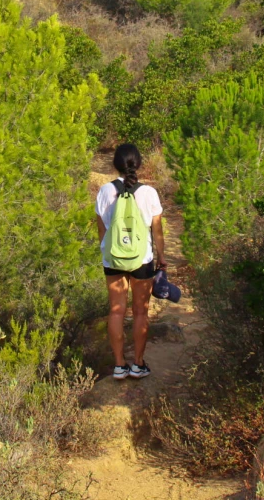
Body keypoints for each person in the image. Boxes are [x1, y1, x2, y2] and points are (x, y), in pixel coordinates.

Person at [95, 143, 166, 379]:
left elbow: (102, 231)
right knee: (140, 313)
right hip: (141, 260)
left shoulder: (104, 191)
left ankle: (118, 365)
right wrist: (162, 258)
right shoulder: (149, 193)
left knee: (116, 312)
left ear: (115, 164)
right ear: (139, 164)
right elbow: (157, 231)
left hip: (113, 258)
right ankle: (137, 364)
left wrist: (107, 253)